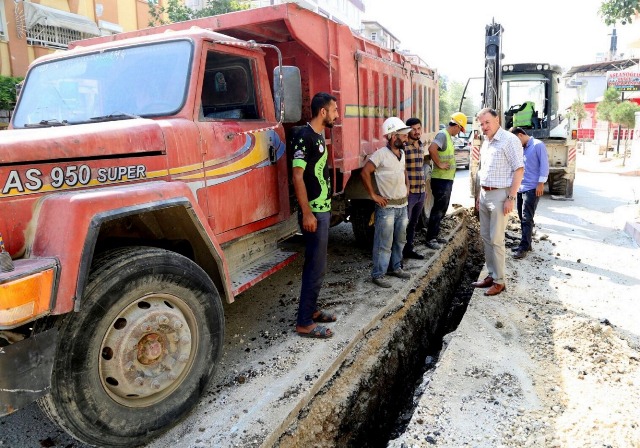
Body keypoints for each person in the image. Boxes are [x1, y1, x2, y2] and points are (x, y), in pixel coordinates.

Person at [291, 92, 339, 338]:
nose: (336, 115)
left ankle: (311, 310)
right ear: (323, 112)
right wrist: (307, 213)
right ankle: (304, 323)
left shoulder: (319, 135)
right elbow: (297, 176)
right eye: (334, 110)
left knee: (319, 266)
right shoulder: (304, 136)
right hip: (314, 213)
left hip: (323, 209)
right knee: (314, 267)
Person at [472, 108, 524, 296]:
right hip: (485, 194)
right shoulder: (486, 142)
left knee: (496, 239)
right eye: (481, 124)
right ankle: (491, 275)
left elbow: (519, 169)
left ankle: (500, 281)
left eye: (487, 122)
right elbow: (483, 171)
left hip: (501, 196)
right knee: (486, 237)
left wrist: (511, 197)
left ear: (497, 120)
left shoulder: (509, 141)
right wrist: (479, 195)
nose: (484, 127)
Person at [361, 117, 412, 288]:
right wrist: (374, 195)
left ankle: (395, 268)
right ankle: (378, 274)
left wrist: (408, 185)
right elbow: (365, 172)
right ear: (392, 136)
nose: (406, 138)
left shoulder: (402, 153)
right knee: (384, 244)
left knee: (400, 240)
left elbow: (403, 170)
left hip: (402, 206)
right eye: (403, 135)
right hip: (387, 208)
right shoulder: (380, 155)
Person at [424, 112, 468, 250]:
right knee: (438, 209)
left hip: (446, 179)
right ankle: (430, 238)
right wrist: (439, 164)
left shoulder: (447, 136)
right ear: (457, 125)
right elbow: (432, 149)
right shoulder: (442, 135)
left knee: (442, 208)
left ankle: (434, 235)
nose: (459, 132)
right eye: (460, 129)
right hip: (440, 179)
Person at [510, 127, 549, 259]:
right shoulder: (523, 148)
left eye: (516, 141)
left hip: (532, 188)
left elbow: (544, 165)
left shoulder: (538, 145)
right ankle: (527, 244)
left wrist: (541, 183)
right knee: (522, 217)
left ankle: (524, 247)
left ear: (521, 135)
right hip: (521, 187)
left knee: (527, 218)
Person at [402, 117, 427, 260]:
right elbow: (402, 169)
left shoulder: (421, 145)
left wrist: (424, 191)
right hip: (410, 193)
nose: (417, 132)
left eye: (418, 129)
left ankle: (409, 250)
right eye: (413, 129)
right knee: (403, 224)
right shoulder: (404, 148)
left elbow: (421, 168)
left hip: (421, 192)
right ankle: (397, 256)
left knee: (413, 224)